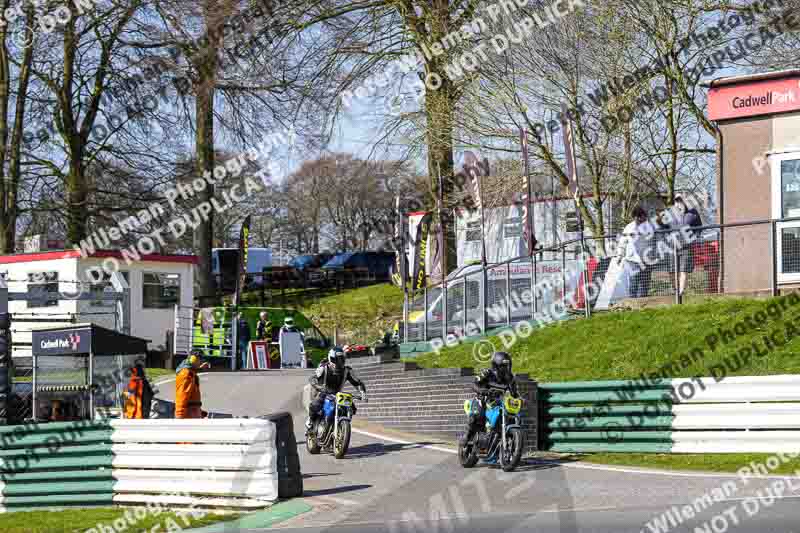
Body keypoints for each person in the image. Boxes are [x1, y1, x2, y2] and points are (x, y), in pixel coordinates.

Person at [463, 352, 520, 463]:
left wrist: (519, 398)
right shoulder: (487, 373)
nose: (506, 368)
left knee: (511, 417)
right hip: (482, 399)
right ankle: (467, 437)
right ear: (496, 365)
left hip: (497, 402)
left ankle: (501, 445)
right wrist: (482, 390)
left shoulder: (510, 377)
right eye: (503, 366)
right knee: (477, 416)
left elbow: (514, 393)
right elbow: (474, 384)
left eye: (507, 365)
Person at [305, 346, 367, 432]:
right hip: (324, 392)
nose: (339, 362)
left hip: (338, 394)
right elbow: (313, 379)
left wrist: (362, 393)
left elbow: (358, 382)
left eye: (341, 360)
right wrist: (319, 387)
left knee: (352, 408)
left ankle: (341, 425)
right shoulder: (323, 368)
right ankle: (311, 420)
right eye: (336, 359)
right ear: (330, 359)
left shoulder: (347, 371)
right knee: (315, 405)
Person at [617, 206, 655, 298]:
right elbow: (622, 242)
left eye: (640, 217)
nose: (638, 219)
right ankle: (632, 300)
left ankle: (643, 301)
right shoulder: (629, 227)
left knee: (644, 284)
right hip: (632, 259)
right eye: (636, 217)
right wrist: (619, 255)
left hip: (646, 259)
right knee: (633, 281)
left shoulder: (650, 226)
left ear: (644, 216)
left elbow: (655, 241)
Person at [673, 196, 703, 298]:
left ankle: (680, 292)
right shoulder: (672, 214)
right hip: (673, 247)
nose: (678, 204)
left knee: (683, 270)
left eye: (680, 201)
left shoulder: (693, 213)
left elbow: (699, 227)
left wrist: (694, 238)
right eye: (676, 202)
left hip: (687, 246)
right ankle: (675, 291)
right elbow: (664, 226)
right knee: (673, 270)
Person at [175, 352, 210, 419]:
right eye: (200, 360)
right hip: (190, 414)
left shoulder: (191, 373)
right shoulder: (187, 374)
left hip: (193, 412)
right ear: (193, 359)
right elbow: (182, 396)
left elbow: (192, 397)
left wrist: (200, 412)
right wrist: (179, 415)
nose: (201, 363)